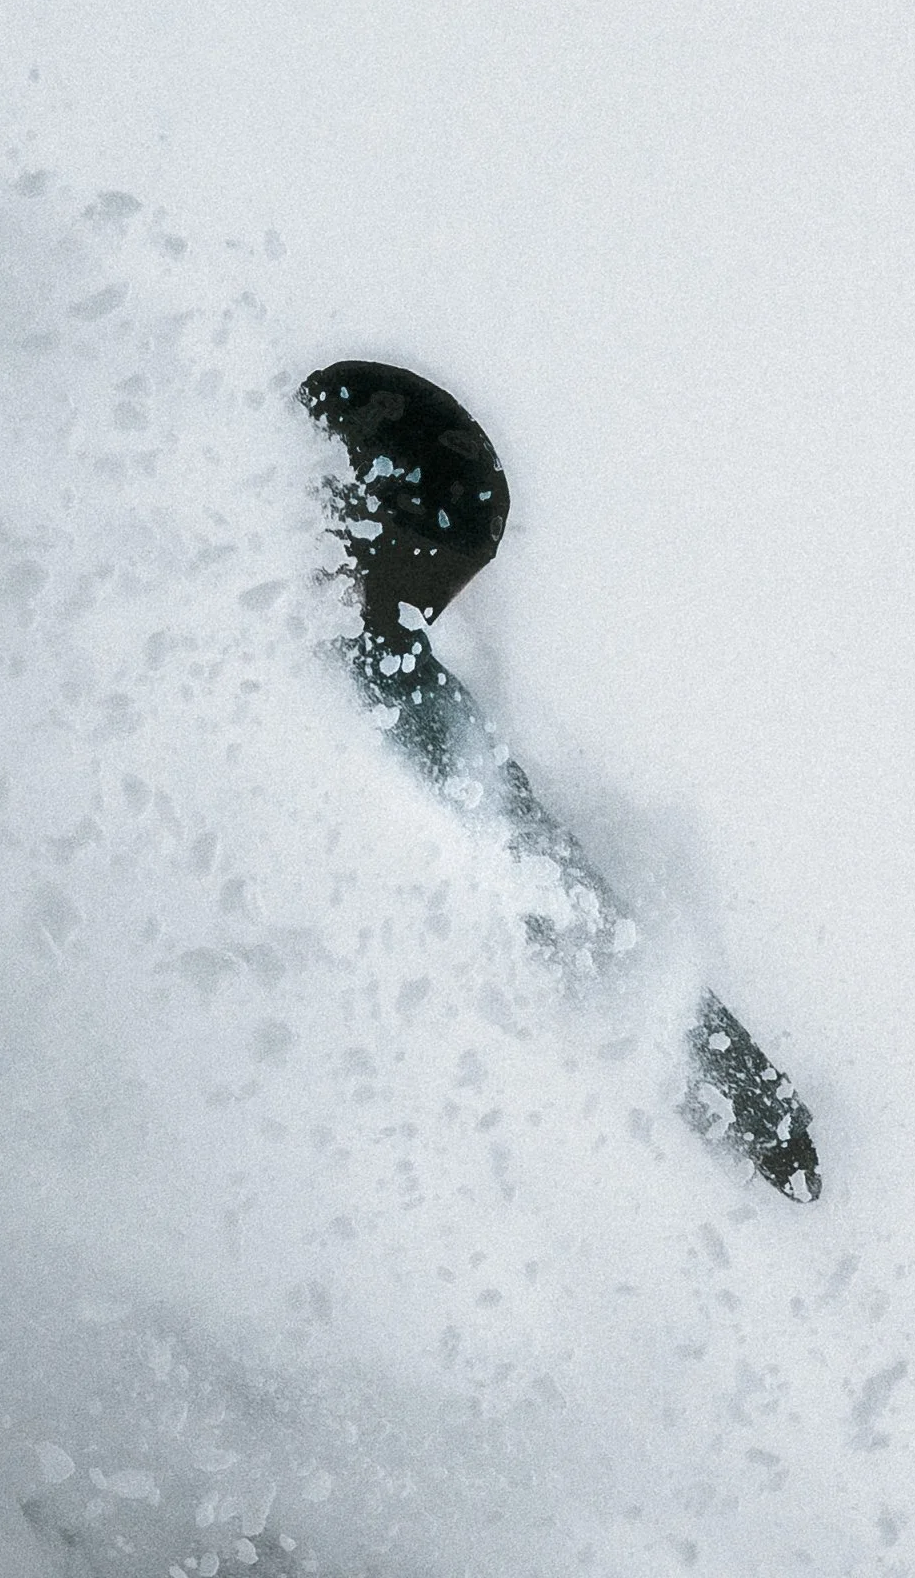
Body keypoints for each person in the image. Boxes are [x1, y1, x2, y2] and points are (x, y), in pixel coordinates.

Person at [300, 361, 821, 1203]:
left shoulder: (403, 695)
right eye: (422, 565)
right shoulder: (210, 626)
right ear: (353, 510)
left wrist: (746, 1089)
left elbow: (560, 889)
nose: (426, 604)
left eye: (444, 582)